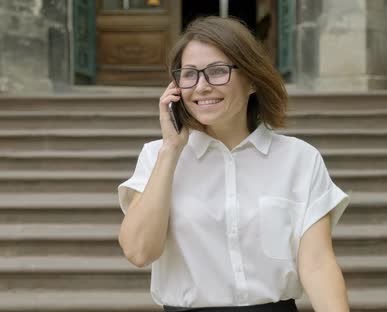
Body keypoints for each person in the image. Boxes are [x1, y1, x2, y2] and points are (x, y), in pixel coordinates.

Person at [117, 16, 350, 312]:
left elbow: (318, 265)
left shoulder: (299, 159)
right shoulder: (157, 157)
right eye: (189, 74)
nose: (201, 87)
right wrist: (170, 150)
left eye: (217, 72)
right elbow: (139, 252)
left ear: (251, 79)